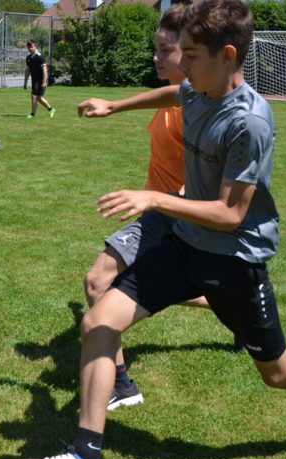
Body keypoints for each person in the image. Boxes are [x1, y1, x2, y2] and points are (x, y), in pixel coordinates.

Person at [18, 1, 286, 459]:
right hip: (186, 247)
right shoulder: (198, 88)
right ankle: (85, 457)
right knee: (98, 322)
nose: (180, 67)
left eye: (190, 55)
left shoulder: (249, 122)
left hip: (234, 262)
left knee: (277, 372)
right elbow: (172, 96)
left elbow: (230, 214)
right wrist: (115, 106)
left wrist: (154, 199)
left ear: (227, 55)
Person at [77, 4, 211, 412]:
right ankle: (224, 297)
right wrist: (113, 105)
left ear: (187, 52)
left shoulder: (197, 108)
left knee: (99, 282)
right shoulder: (178, 95)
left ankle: (121, 384)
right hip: (161, 210)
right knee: (147, 284)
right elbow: (167, 96)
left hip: (170, 214)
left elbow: (204, 174)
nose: (155, 56)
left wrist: (170, 198)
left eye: (164, 49)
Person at [23, 40, 55, 119]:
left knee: (35, 96)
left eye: (31, 46)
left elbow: (44, 69)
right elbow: (28, 70)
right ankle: (51, 109)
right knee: (38, 98)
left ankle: (32, 114)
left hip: (41, 80)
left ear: (35, 47)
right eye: (29, 47)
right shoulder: (28, 57)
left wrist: (44, 81)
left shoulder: (39, 56)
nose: (30, 48)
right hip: (34, 80)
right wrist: (25, 82)